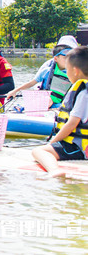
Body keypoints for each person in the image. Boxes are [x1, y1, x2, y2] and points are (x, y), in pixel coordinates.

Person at [32, 46, 88, 177]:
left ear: (75, 71)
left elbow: (72, 123)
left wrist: (52, 143)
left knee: (39, 151)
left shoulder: (83, 93)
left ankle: (54, 170)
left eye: (67, 70)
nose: (66, 73)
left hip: (78, 148)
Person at [7, 35, 78, 107]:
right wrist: (15, 91)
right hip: (46, 102)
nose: (69, 60)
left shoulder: (77, 71)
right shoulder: (47, 69)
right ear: (56, 58)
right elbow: (31, 83)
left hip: (63, 105)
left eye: (72, 56)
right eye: (66, 57)